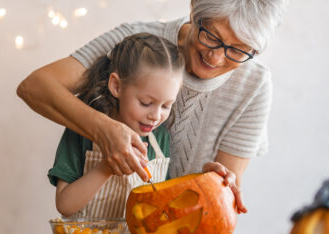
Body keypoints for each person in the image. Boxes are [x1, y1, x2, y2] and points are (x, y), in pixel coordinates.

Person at [18, 0, 287, 214]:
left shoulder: (254, 86)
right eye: (211, 36)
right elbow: (35, 87)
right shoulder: (137, 46)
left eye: (238, 50)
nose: (215, 57)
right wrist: (103, 131)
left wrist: (215, 184)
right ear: (194, 10)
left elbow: (219, 204)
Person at [47, 33, 184, 218]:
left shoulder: (160, 138)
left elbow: (163, 205)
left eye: (167, 105)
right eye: (145, 102)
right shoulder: (82, 130)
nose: (156, 116)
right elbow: (65, 205)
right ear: (116, 86)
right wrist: (107, 167)